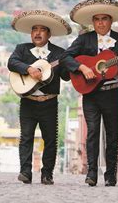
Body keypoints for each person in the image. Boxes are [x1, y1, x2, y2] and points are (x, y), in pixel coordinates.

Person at [60, 0, 118, 187]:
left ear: (111, 21)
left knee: (112, 134)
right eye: (97, 19)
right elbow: (65, 57)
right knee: (92, 132)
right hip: (90, 92)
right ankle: (91, 173)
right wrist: (83, 67)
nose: (100, 22)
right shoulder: (84, 39)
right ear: (93, 22)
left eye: (104, 19)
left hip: (112, 92)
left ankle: (110, 175)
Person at [8, 10, 71, 185]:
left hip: (49, 102)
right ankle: (25, 172)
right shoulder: (22, 49)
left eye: (42, 29)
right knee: (26, 137)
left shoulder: (60, 53)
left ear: (49, 34)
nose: (37, 33)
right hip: (28, 101)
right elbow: (11, 62)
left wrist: (70, 64)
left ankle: (47, 174)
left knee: (50, 139)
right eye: (34, 29)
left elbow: (65, 76)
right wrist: (29, 69)